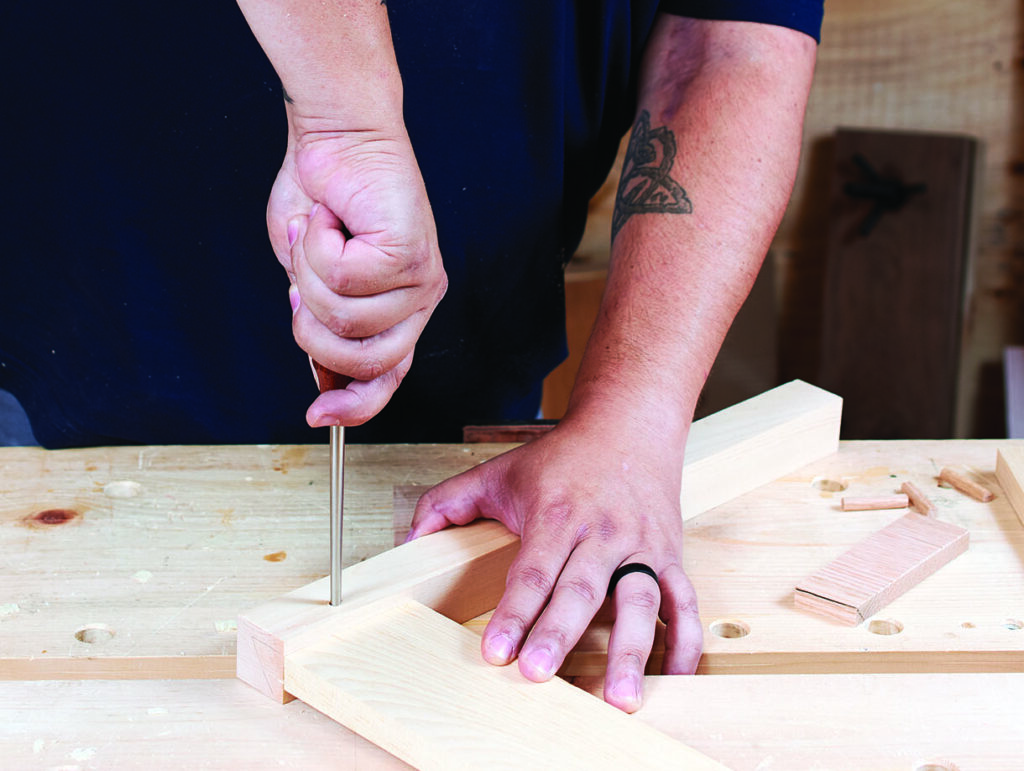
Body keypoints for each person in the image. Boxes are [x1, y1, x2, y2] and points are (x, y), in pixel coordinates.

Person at [2, 2, 820, 712]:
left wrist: (632, 419)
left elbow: (732, 43)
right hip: (50, 368)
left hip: (468, 388)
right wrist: (345, 125)